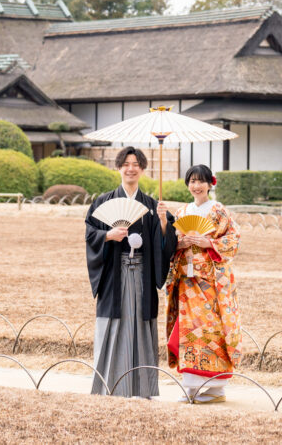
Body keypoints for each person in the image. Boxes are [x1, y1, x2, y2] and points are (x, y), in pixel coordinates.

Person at [85, 146, 177, 398]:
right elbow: (90, 233)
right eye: (126, 163)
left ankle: (142, 388)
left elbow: (169, 242)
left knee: (140, 325)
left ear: (143, 169)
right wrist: (107, 235)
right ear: (119, 168)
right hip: (114, 275)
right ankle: (110, 386)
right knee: (115, 325)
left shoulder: (151, 205)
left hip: (143, 276)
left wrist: (162, 223)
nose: (131, 168)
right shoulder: (103, 202)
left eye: (136, 164)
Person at [165, 163, 241, 404]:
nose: (196, 186)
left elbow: (233, 239)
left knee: (210, 331)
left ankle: (215, 387)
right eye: (192, 181)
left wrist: (209, 244)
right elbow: (169, 245)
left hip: (209, 282)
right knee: (188, 331)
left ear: (210, 184)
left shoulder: (218, 211)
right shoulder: (181, 212)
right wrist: (180, 244)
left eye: (201, 181)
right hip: (186, 282)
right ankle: (191, 386)